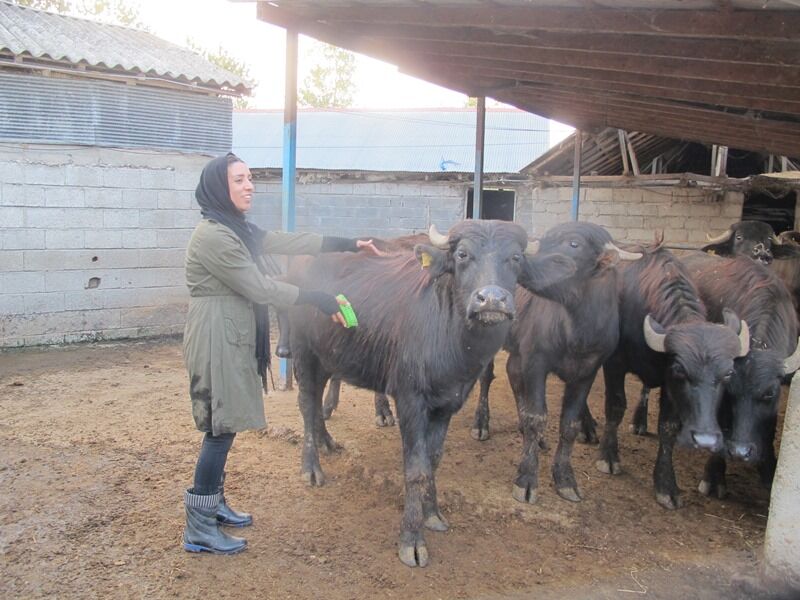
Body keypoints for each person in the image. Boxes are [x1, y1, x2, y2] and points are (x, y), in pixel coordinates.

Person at [181, 153, 382, 555]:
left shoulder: (233, 228)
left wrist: (349, 245)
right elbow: (261, 289)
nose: (249, 185)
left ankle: (213, 505)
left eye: (250, 178)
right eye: (239, 180)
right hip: (218, 335)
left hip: (231, 331)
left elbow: (286, 241)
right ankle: (199, 524)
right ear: (220, 187)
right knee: (220, 429)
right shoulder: (215, 236)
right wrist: (320, 299)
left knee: (226, 424)